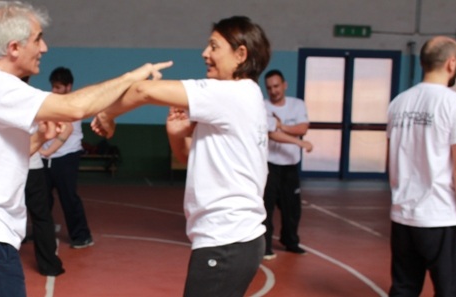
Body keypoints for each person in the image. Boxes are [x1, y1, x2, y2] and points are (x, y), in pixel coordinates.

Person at [0, 1, 171, 295]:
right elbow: (75, 107)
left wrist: (37, 140)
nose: (44, 47)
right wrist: (131, 78)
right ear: (14, 47)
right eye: (37, 39)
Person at [91, 16, 311, 296]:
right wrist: (174, 132)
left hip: (226, 241)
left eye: (214, 47)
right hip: (229, 240)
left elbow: (143, 90)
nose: (205, 53)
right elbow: (187, 158)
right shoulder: (242, 97)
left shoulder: (230, 93)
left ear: (240, 54)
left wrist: (106, 115)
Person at [386, 36, 456, 297]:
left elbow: (391, 159)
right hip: (441, 216)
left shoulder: (398, 103)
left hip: (402, 216)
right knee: (451, 290)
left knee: (404, 287)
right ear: (451, 63)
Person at [40, 67, 94, 248]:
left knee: (68, 197)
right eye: (53, 87)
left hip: (67, 156)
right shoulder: (50, 102)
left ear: (68, 87)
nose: (54, 91)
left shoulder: (73, 104)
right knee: (42, 198)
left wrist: (48, 151)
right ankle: (44, 231)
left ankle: (82, 235)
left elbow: (66, 131)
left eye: (58, 87)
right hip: (47, 157)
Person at [261, 69, 310, 260]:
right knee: (266, 207)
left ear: (284, 85)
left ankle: (291, 242)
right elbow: (271, 133)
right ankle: (265, 246)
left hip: (290, 166)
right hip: (269, 165)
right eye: (269, 88)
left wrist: (281, 125)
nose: (273, 91)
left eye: (276, 86)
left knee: (292, 209)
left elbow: (303, 127)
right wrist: (298, 141)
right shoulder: (262, 106)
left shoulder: (297, 105)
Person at [22, 75, 65, 277]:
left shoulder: (30, 100)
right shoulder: (35, 100)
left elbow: (67, 126)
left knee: (37, 217)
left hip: (24, 167)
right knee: (41, 217)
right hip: (28, 167)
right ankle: (49, 264)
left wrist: (46, 150)